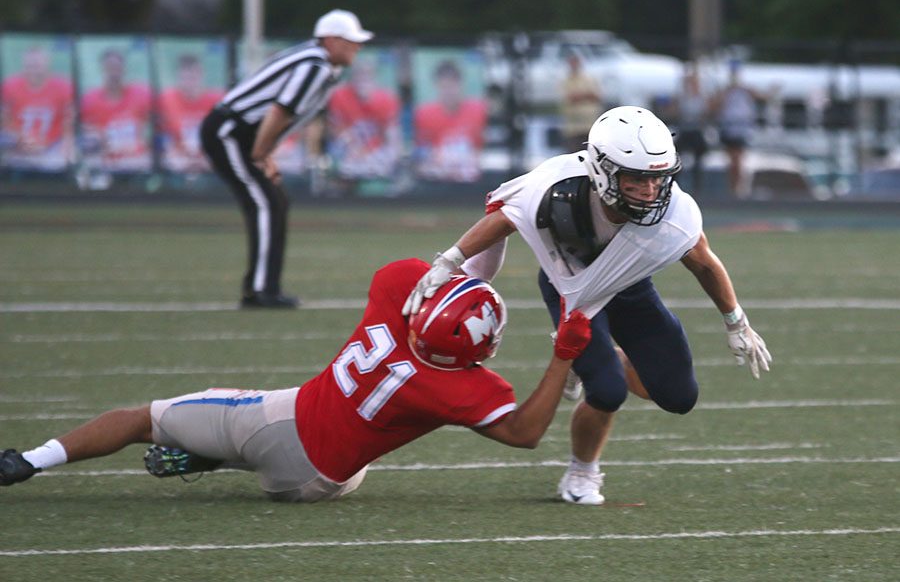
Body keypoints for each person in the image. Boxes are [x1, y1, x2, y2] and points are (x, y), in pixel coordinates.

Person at [402, 105, 772, 506]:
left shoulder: (674, 212)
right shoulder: (555, 187)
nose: (650, 191)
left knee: (678, 396)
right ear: (602, 169)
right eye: (637, 178)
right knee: (607, 390)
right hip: (569, 292)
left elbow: (702, 260)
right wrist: (451, 261)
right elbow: (505, 216)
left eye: (657, 178)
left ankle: (609, 356)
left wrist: (736, 321)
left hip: (630, 288)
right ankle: (582, 470)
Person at [1, 259, 593, 503]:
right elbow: (525, 433)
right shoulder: (461, 386)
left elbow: (451, 266)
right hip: (330, 481)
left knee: (143, 419)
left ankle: (27, 460)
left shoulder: (395, 292)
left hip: (282, 425)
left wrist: (501, 224)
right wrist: (563, 356)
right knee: (349, 447)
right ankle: (211, 454)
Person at [200, 9, 373, 309]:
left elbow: (283, 114)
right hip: (230, 131)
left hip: (244, 134)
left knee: (275, 201)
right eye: (350, 40)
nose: (357, 47)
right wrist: (261, 154)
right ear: (331, 40)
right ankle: (260, 291)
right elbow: (281, 111)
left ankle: (266, 287)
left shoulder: (320, 64)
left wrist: (264, 153)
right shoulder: (315, 66)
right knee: (266, 203)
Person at [327, 57, 402, 195]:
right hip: (349, 151)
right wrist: (354, 149)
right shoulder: (340, 96)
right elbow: (337, 132)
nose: (363, 80)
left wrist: (389, 158)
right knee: (341, 161)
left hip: (376, 152)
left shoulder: (386, 99)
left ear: (374, 77)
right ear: (352, 77)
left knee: (389, 163)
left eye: (367, 75)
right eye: (359, 74)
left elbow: (393, 138)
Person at [0, 45, 74, 171]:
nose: (33, 70)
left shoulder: (64, 86)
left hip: (52, 146)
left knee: (73, 153)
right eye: (29, 66)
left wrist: (66, 145)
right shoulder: (10, 86)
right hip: (18, 145)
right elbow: (4, 119)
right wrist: (19, 139)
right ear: (23, 67)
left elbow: (69, 122)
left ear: (47, 66)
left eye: (37, 66)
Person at [413, 59, 487, 183]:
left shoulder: (478, 110)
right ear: (436, 86)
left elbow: (484, 152)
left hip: (471, 177)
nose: (448, 92)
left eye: (452, 86)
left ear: (460, 84)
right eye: (444, 87)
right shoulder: (424, 114)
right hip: (439, 178)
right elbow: (422, 157)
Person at [80, 48, 153, 172]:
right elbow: (85, 135)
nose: (114, 73)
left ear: (124, 70)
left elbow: (159, 122)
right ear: (102, 70)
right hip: (106, 161)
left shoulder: (141, 94)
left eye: (117, 68)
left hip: (137, 160)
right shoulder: (90, 100)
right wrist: (97, 140)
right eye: (109, 68)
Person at [708, 60, 771, 198]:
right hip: (729, 128)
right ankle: (734, 188)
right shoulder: (725, 91)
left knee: (738, 160)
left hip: (740, 129)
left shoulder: (746, 90)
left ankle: (737, 188)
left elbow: (763, 97)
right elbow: (713, 107)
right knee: (732, 161)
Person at [158, 53, 224, 174]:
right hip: (178, 160)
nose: (190, 83)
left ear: (201, 75)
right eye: (185, 78)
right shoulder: (167, 99)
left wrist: (207, 159)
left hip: (208, 159)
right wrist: (179, 158)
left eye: (193, 77)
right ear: (179, 77)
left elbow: (221, 138)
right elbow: (164, 137)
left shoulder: (216, 99)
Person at [671, 64, 710, 195]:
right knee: (676, 154)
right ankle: (675, 183)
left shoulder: (701, 97)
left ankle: (697, 186)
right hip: (685, 131)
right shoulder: (682, 97)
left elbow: (706, 113)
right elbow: (675, 112)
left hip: (696, 131)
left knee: (699, 155)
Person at [560, 53, 603, 153]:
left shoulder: (589, 79)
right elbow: (570, 98)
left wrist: (580, 96)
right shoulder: (566, 81)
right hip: (573, 128)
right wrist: (586, 95)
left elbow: (596, 96)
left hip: (590, 125)